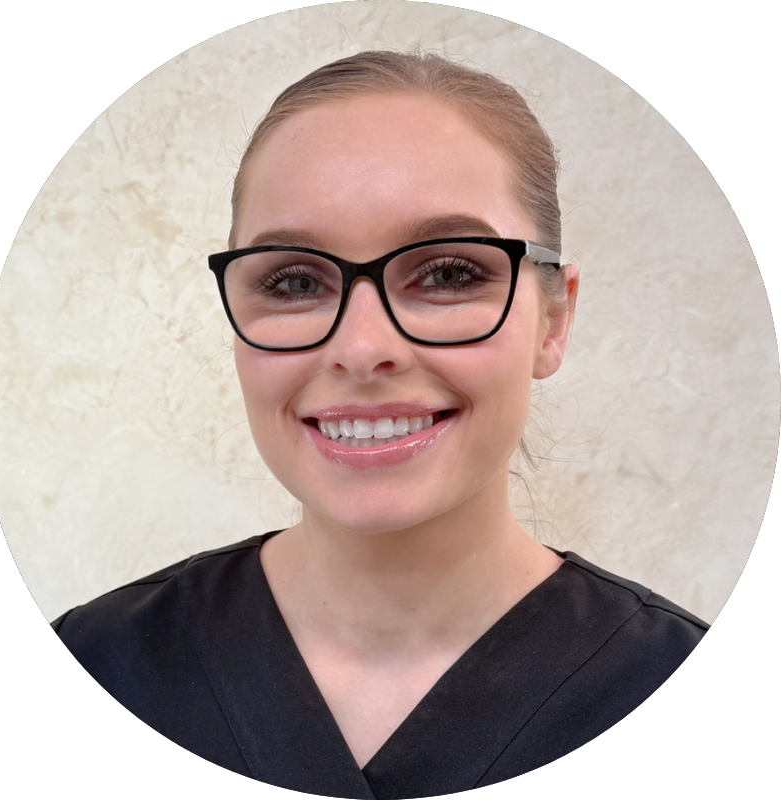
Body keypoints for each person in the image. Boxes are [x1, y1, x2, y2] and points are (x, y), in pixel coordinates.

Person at [51, 51, 708, 795]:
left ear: (554, 320)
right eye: (293, 281)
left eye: (449, 273)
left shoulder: (659, 671)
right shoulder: (102, 660)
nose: (363, 349)